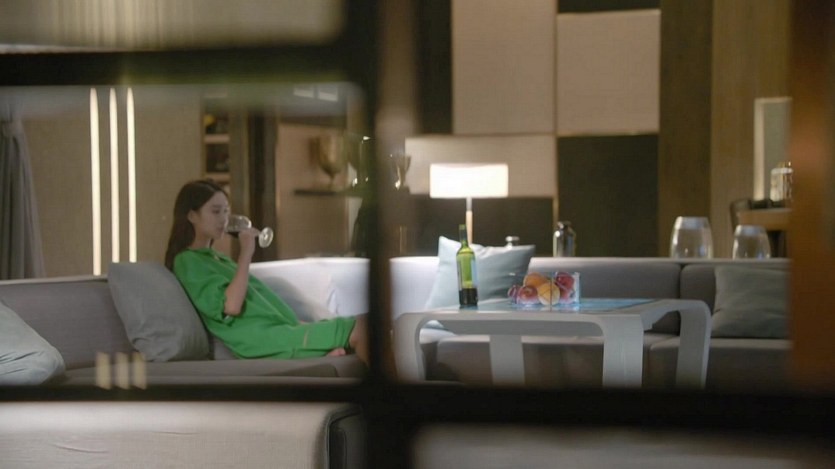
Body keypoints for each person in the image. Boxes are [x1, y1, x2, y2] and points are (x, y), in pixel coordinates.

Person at [164, 179, 368, 364]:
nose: (224, 219)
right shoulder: (187, 261)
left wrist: (304, 326)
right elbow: (231, 306)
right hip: (262, 340)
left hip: (282, 331)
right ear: (192, 215)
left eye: (226, 211)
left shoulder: (217, 258)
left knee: (370, 322)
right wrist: (246, 253)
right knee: (363, 329)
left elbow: (262, 305)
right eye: (216, 212)